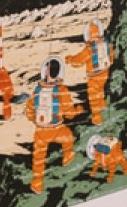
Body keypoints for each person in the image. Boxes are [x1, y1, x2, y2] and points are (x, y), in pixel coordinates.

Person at [25, 56, 82, 194]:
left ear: (45, 71)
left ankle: (37, 183)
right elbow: (69, 112)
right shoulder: (62, 90)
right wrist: (78, 110)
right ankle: (67, 156)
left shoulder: (37, 90)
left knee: (38, 158)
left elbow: (29, 110)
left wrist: (35, 121)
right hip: (57, 129)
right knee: (68, 137)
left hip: (41, 131)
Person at [67, 17, 114, 125]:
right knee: (102, 95)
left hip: (94, 76)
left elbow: (78, 61)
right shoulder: (107, 45)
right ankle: (105, 113)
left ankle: (98, 118)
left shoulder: (89, 50)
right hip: (105, 73)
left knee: (95, 98)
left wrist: (70, 59)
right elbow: (111, 57)